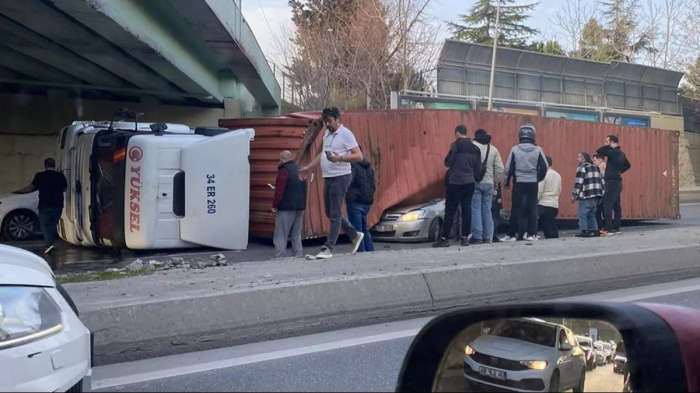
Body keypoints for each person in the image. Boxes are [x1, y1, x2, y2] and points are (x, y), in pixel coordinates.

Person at [300, 107, 364, 259]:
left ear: (337, 119)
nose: (327, 124)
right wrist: (309, 167)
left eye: (329, 121)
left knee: (335, 213)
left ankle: (328, 248)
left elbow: (359, 156)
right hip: (328, 177)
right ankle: (354, 235)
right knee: (329, 212)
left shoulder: (345, 134)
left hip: (341, 176)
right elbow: (322, 154)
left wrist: (339, 158)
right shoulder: (327, 135)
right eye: (325, 122)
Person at [433, 125, 483, 248]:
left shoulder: (455, 145)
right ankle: (465, 238)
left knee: (450, 210)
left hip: (455, 182)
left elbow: (447, 162)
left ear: (457, 133)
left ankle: (444, 239)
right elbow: (478, 170)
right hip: (469, 183)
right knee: (467, 209)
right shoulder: (476, 149)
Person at [502, 124, 548, 242]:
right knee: (532, 208)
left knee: (515, 209)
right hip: (532, 182)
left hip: (519, 182)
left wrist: (506, 182)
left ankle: (511, 234)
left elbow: (509, 168)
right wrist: (538, 178)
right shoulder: (538, 150)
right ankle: (532, 234)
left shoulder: (515, 149)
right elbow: (544, 167)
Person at [15, 158, 67, 254]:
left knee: (45, 225)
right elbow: (65, 188)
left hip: (45, 204)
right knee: (53, 224)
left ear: (45, 165)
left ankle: (49, 244)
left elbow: (31, 187)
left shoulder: (40, 176)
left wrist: (19, 192)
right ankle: (50, 243)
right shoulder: (60, 176)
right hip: (58, 204)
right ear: (54, 165)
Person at [470, 129, 504, 244]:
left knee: (475, 209)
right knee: (487, 210)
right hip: (489, 183)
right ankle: (488, 237)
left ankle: (477, 236)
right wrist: (494, 181)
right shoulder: (493, 149)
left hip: (475, 182)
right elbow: (500, 168)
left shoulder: (472, 146)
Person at [272, 151, 307, 258]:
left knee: (281, 234)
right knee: (296, 234)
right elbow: (304, 188)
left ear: (283, 159)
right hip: (299, 206)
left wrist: (275, 205)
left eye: (280, 159)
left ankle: (280, 256)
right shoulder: (299, 169)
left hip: (286, 207)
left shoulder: (284, 171)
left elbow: (279, 190)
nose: (279, 162)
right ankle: (298, 256)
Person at [596, 135, 631, 235]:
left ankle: (608, 227)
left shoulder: (613, 152)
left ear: (612, 142)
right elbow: (628, 165)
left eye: (607, 141)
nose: (605, 143)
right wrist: (618, 172)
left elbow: (599, 151)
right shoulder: (622, 153)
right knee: (616, 205)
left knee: (608, 204)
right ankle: (616, 227)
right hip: (618, 181)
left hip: (611, 181)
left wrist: (607, 146)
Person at [346, 146, 376, 252]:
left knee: (357, 232)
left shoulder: (352, 165)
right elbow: (373, 184)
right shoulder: (368, 166)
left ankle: (361, 255)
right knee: (364, 229)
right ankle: (370, 253)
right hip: (366, 202)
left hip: (355, 201)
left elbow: (348, 182)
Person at [572, 152, 605, 238]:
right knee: (592, 214)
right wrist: (602, 193)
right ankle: (594, 231)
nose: (577, 159)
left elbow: (579, 182)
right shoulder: (596, 167)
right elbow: (602, 182)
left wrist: (574, 195)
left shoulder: (582, 167)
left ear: (583, 158)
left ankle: (584, 231)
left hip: (586, 195)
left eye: (578, 157)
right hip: (596, 196)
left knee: (582, 214)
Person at [537, 156, 561, 239]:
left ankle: (550, 240)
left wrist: (536, 200)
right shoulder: (558, 175)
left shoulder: (544, 174)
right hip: (554, 204)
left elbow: (540, 190)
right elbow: (559, 190)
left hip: (544, 203)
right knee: (552, 223)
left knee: (546, 225)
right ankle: (555, 239)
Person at [593, 154, 606, 229]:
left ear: (600, 160)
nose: (594, 162)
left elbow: (600, 176)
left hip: (602, 192)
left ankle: (600, 227)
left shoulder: (602, 166)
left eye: (595, 160)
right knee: (602, 211)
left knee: (598, 211)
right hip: (604, 191)